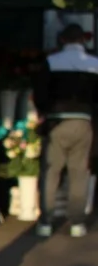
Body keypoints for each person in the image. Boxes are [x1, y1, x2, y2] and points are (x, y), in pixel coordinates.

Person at [31, 23, 98, 238]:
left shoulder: (51, 62)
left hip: (56, 122)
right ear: (83, 40)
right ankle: (77, 222)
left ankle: (46, 222)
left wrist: (44, 112)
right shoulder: (95, 64)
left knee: (51, 172)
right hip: (84, 121)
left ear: (62, 40)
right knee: (79, 173)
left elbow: (40, 94)